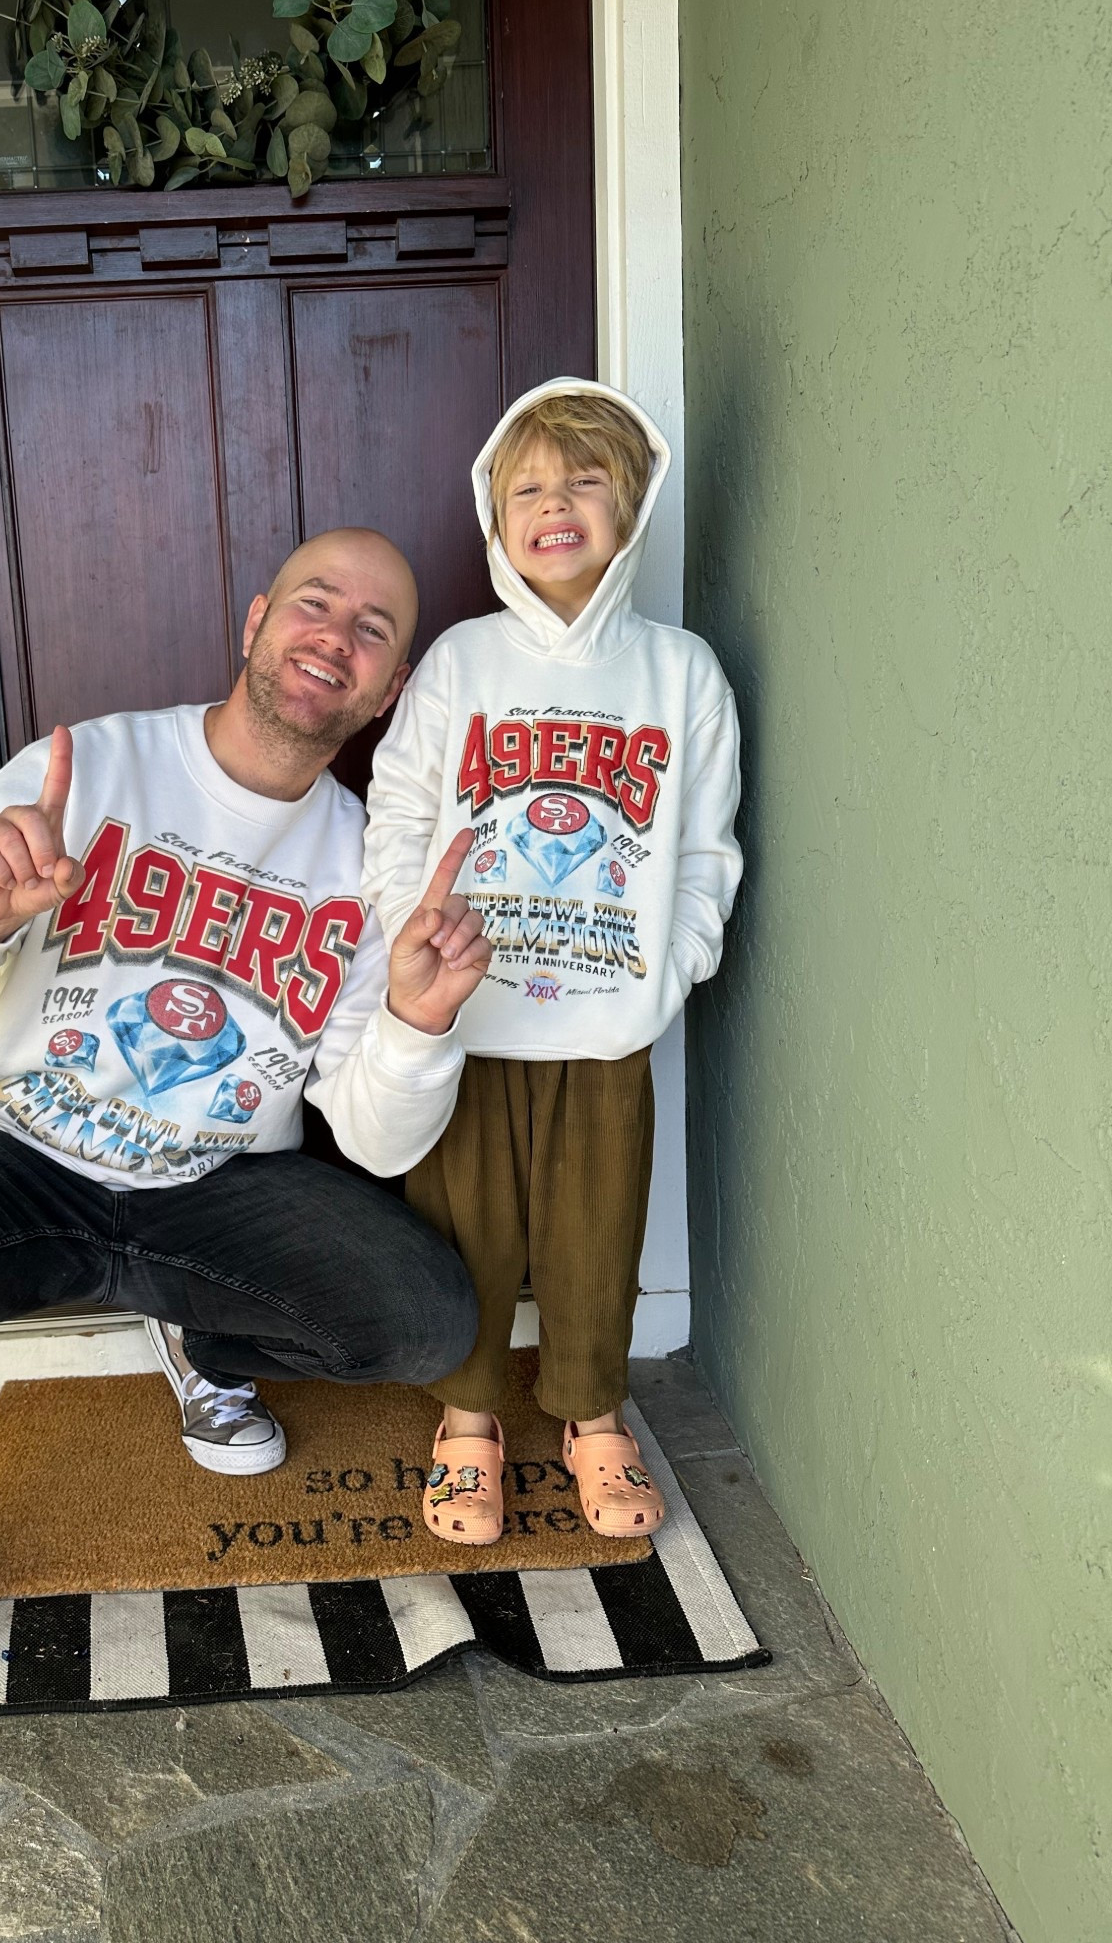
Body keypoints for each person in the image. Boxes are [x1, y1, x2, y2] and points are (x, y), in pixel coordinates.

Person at [0, 528, 491, 1739]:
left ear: (392, 688)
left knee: (429, 1316)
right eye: (318, 605)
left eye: (376, 631)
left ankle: (198, 1332)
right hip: (8, 1155)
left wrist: (418, 1021)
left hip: (206, 1184)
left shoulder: (368, 865)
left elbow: (373, 1140)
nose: (338, 638)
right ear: (256, 620)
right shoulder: (83, 767)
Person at [361, 380, 742, 1547]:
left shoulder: (681, 672)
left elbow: (704, 845)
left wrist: (667, 969)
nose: (555, 503)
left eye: (585, 480)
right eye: (528, 484)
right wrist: (402, 943)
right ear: (494, 511)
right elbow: (399, 811)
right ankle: (467, 1420)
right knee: (464, 1224)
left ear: (630, 510)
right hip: (469, 1010)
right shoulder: (460, 664)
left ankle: (592, 1413)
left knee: (596, 1228)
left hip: (605, 1017)